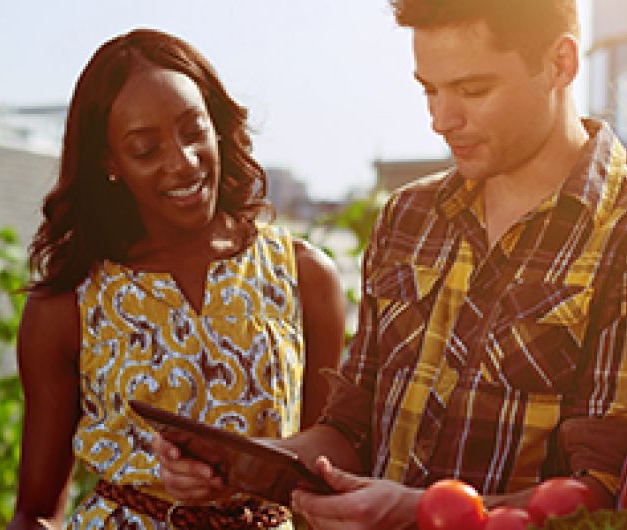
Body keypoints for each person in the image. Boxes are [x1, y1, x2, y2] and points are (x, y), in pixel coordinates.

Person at [154, 1, 627, 528]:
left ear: (560, 64)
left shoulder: (619, 234)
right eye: (429, 88)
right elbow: (350, 431)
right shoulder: (407, 218)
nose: (441, 120)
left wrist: (416, 511)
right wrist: (251, 462)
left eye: (473, 91)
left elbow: (599, 494)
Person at [5, 28, 346, 530]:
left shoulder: (305, 275)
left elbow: (329, 466)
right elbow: (35, 512)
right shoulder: (66, 305)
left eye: (193, 131)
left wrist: (247, 468)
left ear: (217, 124)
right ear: (109, 162)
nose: (182, 162)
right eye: (145, 149)